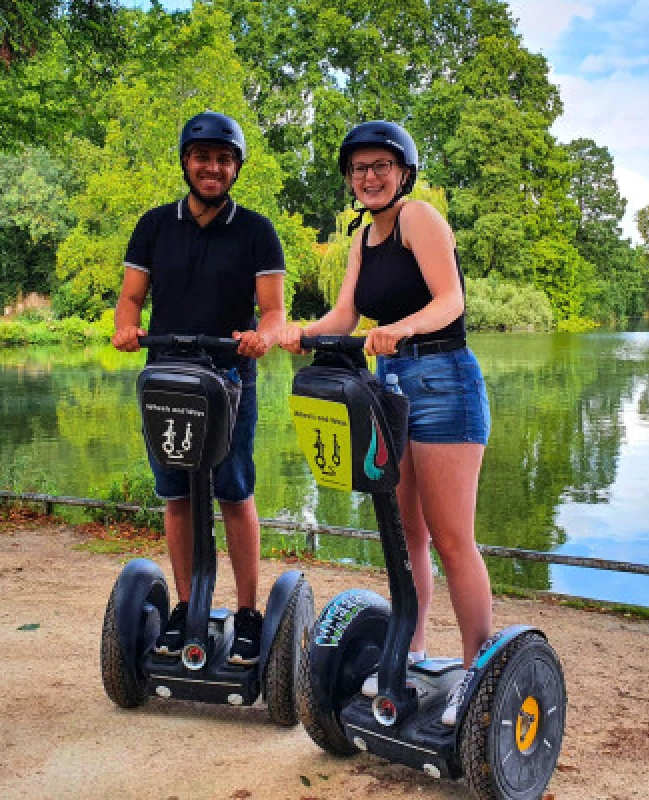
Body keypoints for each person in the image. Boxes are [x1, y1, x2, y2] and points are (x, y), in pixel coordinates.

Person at [279, 121, 492, 726]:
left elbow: (451, 300)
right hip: (389, 386)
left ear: (403, 172)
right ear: (349, 178)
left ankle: (479, 669)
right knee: (408, 536)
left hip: (445, 381)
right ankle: (414, 649)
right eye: (359, 169)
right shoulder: (360, 240)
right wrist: (304, 335)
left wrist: (403, 327)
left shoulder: (418, 218)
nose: (369, 178)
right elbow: (346, 313)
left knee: (452, 538)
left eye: (381, 167)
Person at [111, 111, 286, 667]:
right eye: (203, 157)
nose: (213, 167)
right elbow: (132, 297)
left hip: (228, 377)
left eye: (224, 159)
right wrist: (124, 326)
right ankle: (187, 608)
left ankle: (250, 614)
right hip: (166, 377)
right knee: (178, 496)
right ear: (186, 162)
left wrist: (262, 338)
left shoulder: (256, 230)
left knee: (233, 491)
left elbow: (275, 311)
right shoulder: (155, 225)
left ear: (236, 168)